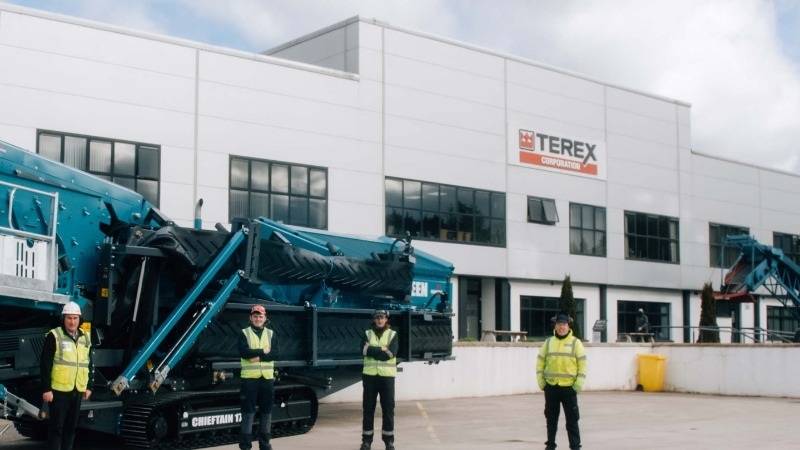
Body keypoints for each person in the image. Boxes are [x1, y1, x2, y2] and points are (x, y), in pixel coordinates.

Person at [40, 301, 94, 450]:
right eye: (69, 318)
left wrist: (89, 386)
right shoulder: (54, 335)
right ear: (63, 319)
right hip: (58, 391)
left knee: (71, 429)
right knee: (56, 429)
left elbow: (89, 363)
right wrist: (46, 389)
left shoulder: (85, 338)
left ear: (79, 320)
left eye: (75, 318)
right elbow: (45, 363)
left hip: (77, 390)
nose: (72, 321)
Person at [537, 313, 587, 450]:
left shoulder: (576, 343)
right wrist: (542, 383)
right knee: (551, 420)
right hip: (551, 387)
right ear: (555, 326)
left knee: (572, 421)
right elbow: (540, 363)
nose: (561, 327)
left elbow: (582, 366)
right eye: (559, 324)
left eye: (563, 324)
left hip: (569, 388)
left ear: (568, 326)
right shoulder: (548, 343)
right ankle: (550, 445)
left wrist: (577, 386)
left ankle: (575, 446)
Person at [238, 304, 279, 450]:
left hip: (267, 380)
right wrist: (263, 351)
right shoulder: (244, 333)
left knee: (266, 413)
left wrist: (258, 357)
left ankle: (265, 446)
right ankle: (245, 447)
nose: (258, 319)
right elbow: (244, 353)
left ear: (265, 318)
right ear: (250, 318)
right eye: (255, 316)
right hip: (250, 380)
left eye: (260, 316)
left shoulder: (271, 334)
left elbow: (276, 354)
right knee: (248, 414)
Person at [360, 309, 399, 450]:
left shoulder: (393, 334)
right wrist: (381, 349)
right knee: (368, 409)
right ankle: (366, 441)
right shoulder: (367, 333)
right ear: (374, 320)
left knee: (388, 409)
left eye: (382, 318)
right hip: (370, 376)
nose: (380, 320)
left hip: (387, 377)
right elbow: (363, 351)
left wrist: (373, 350)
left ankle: (389, 441)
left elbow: (391, 353)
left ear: (386, 319)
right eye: (377, 318)